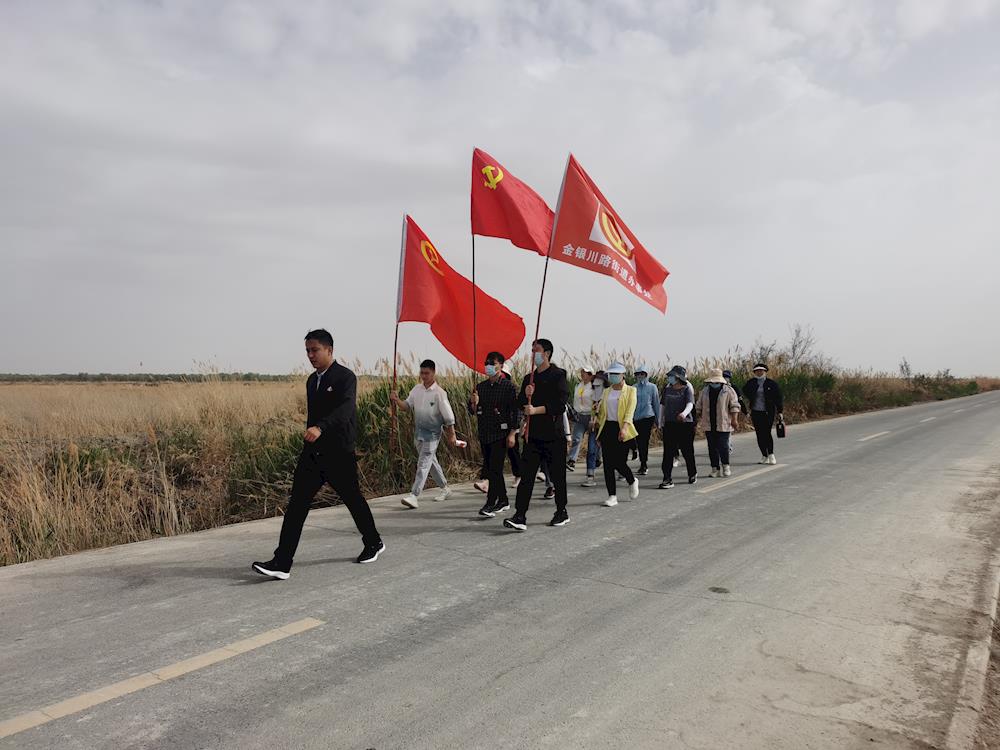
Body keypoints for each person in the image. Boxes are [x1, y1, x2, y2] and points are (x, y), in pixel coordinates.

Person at [252, 329, 384, 579]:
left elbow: (345, 411)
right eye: (307, 351)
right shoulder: (312, 381)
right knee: (297, 506)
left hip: (339, 454)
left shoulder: (346, 377)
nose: (310, 355)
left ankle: (373, 542)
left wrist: (320, 427)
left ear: (329, 350)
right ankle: (282, 562)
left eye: (315, 350)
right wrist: (311, 435)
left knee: (353, 499)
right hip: (313, 454)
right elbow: (313, 416)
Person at [503, 338, 570, 531]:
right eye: (532, 351)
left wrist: (536, 410)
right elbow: (520, 404)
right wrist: (526, 393)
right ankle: (520, 515)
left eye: (537, 350)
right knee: (527, 477)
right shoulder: (529, 378)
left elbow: (559, 405)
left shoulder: (558, 375)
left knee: (558, 476)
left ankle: (561, 511)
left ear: (547, 353)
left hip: (553, 435)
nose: (533, 354)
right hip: (532, 436)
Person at [390, 359, 460, 509]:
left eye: (427, 373)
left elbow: (448, 417)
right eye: (422, 373)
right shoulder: (416, 389)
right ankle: (445, 488)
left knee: (423, 464)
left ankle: (414, 495)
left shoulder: (440, 393)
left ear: (433, 373)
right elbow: (406, 406)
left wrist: (452, 434)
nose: (424, 376)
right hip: (419, 433)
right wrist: (396, 400)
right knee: (430, 462)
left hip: (433, 434)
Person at [468, 352, 520, 518]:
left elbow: (515, 412)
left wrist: (513, 432)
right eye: (487, 362)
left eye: (492, 363)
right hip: (485, 433)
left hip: (501, 433)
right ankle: (503, 500)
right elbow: (472, 411)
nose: (488, 366)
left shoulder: (508, 387)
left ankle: (490, 503)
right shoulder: (480, 387)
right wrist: (473, 402)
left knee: (494, 469)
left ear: (501, 366)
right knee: (491, 468)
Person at [594, 362, 640, 507]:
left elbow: (629, 412)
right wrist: (596, 421)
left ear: (622, 375)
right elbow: (602, 413)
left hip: (622, 428)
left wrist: (625, 427)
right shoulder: (606, 391)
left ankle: (632, 480)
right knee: (608, 464)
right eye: (611, 374)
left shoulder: (631, 391)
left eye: (616, 374)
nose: (613, 377)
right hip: (607, 428)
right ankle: (612, 496)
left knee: (619, 462)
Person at [697, 368, 742, 478]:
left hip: (723, 423)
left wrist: (734, 420)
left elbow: (735, 406)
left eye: (716, 382)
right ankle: (715, 468)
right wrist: (698, 418)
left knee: (723, 446)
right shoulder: (705, 391)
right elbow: (699, 406)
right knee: (712, 447)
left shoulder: (728, 390)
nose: (714, 384)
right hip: (709, 423)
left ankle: (726, 466)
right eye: (713, 382)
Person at [658, 365, 697, 488]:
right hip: (670, 424)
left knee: (687, 450)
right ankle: (667, 478)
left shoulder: (686, 389)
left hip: (685, 425)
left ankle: (692, 473)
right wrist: (660, 421)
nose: (670, 378)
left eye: (672, 376)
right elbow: (662, 406)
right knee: (668, 452)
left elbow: (690, 404)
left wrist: (684, 414)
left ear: (678, 377)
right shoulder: (667, 389)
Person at [743, 363, 784, 465]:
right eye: (757, 371)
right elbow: (744, 390)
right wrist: (751, 397)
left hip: (768, 412)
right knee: (759, 434)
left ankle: (771, 454)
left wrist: (780, 411)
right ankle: (764, 455)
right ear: (754, 372)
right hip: (756, 412)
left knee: (767, 433)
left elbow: (778, 398)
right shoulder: (751, 383)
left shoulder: (771, 384)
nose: (759, 372)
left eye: (761, 371)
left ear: (765, 372)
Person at [579, 370, 606, 487]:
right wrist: (592, 420)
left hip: (607, 428)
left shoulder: (609, 397)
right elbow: (593, 411)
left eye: (599, 386)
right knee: (591, 450)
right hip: (595, 427)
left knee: (611, 452)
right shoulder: (594, 400)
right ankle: (590, 476)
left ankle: (620, 472)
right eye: (594, 386)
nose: (596, 388)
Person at [632, 364, 659, 475]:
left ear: (646, 375)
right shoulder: (633, 388)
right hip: (636, 418)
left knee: (644, 441)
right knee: (638, 441)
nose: (640, 376)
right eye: (638, 374)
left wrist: (658, 420)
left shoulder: (652, 387)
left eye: (642, 374)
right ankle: (640, 458)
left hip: (648, 417)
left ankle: (644, 464)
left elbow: (656, 403)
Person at [567, 366, 595, 471]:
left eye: (586, 372)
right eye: (582, 372)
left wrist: (594, 417)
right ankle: (572, 460)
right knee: (576, 439)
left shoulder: (594, 387)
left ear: (590, 374)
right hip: (579, 415)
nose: (583, 374)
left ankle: (597, 458)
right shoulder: (578, 386)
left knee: (594, 441)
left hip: (590, 416)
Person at [722, 369, 746, 457]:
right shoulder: (717, 387)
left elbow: (739, 400)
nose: (725, 378)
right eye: (724, 376)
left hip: (731, 412)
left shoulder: (733, 388)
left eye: (727, 377)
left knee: (728, 431)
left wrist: (745, 411)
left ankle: (728, 447)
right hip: (721, 413)